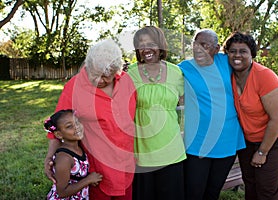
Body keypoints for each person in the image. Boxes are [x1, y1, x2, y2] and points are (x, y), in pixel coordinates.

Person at [44, 39, 137, 200]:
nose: (100, 80)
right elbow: (57, 125)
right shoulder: (74, 86)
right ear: (88, 65)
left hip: (125, 164)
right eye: (95, 75)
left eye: (106, 76)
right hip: (96, 168)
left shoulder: (127, 82)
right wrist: (50, 157)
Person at [223, 31, 278, 200]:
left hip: (274, 138)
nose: (237, 55)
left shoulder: (264, 76)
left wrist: (262, 152)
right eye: (232, 51)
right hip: (248, 139)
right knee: (251, 184)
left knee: (266, 189)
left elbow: (277, 118)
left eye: (243, 51)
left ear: (252, 54)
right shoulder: (228, 74)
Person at [178, 29, 246, 200]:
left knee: (213, 192)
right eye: (196, 44)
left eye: (205, 46)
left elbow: (250, 68)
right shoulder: (184, 68)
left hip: (227, 140)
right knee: (193, 192)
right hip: (198, 142)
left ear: (216, 49)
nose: (199, 49)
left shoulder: (227, 62)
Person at [127, 26, 186, 200]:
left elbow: (184, 100)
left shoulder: (176, 73)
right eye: (141, 44)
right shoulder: (129, 74)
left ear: (161, 46)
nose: (146, 49)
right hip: (142, 152)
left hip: (172, 150)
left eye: (151, 43)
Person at [44, 109, 102, 199]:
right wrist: (88, 180)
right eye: (69, 126)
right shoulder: (64, 158)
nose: (77, 127)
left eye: (77, 122)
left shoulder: (78, 148)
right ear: (59, 134)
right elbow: (62, 192)